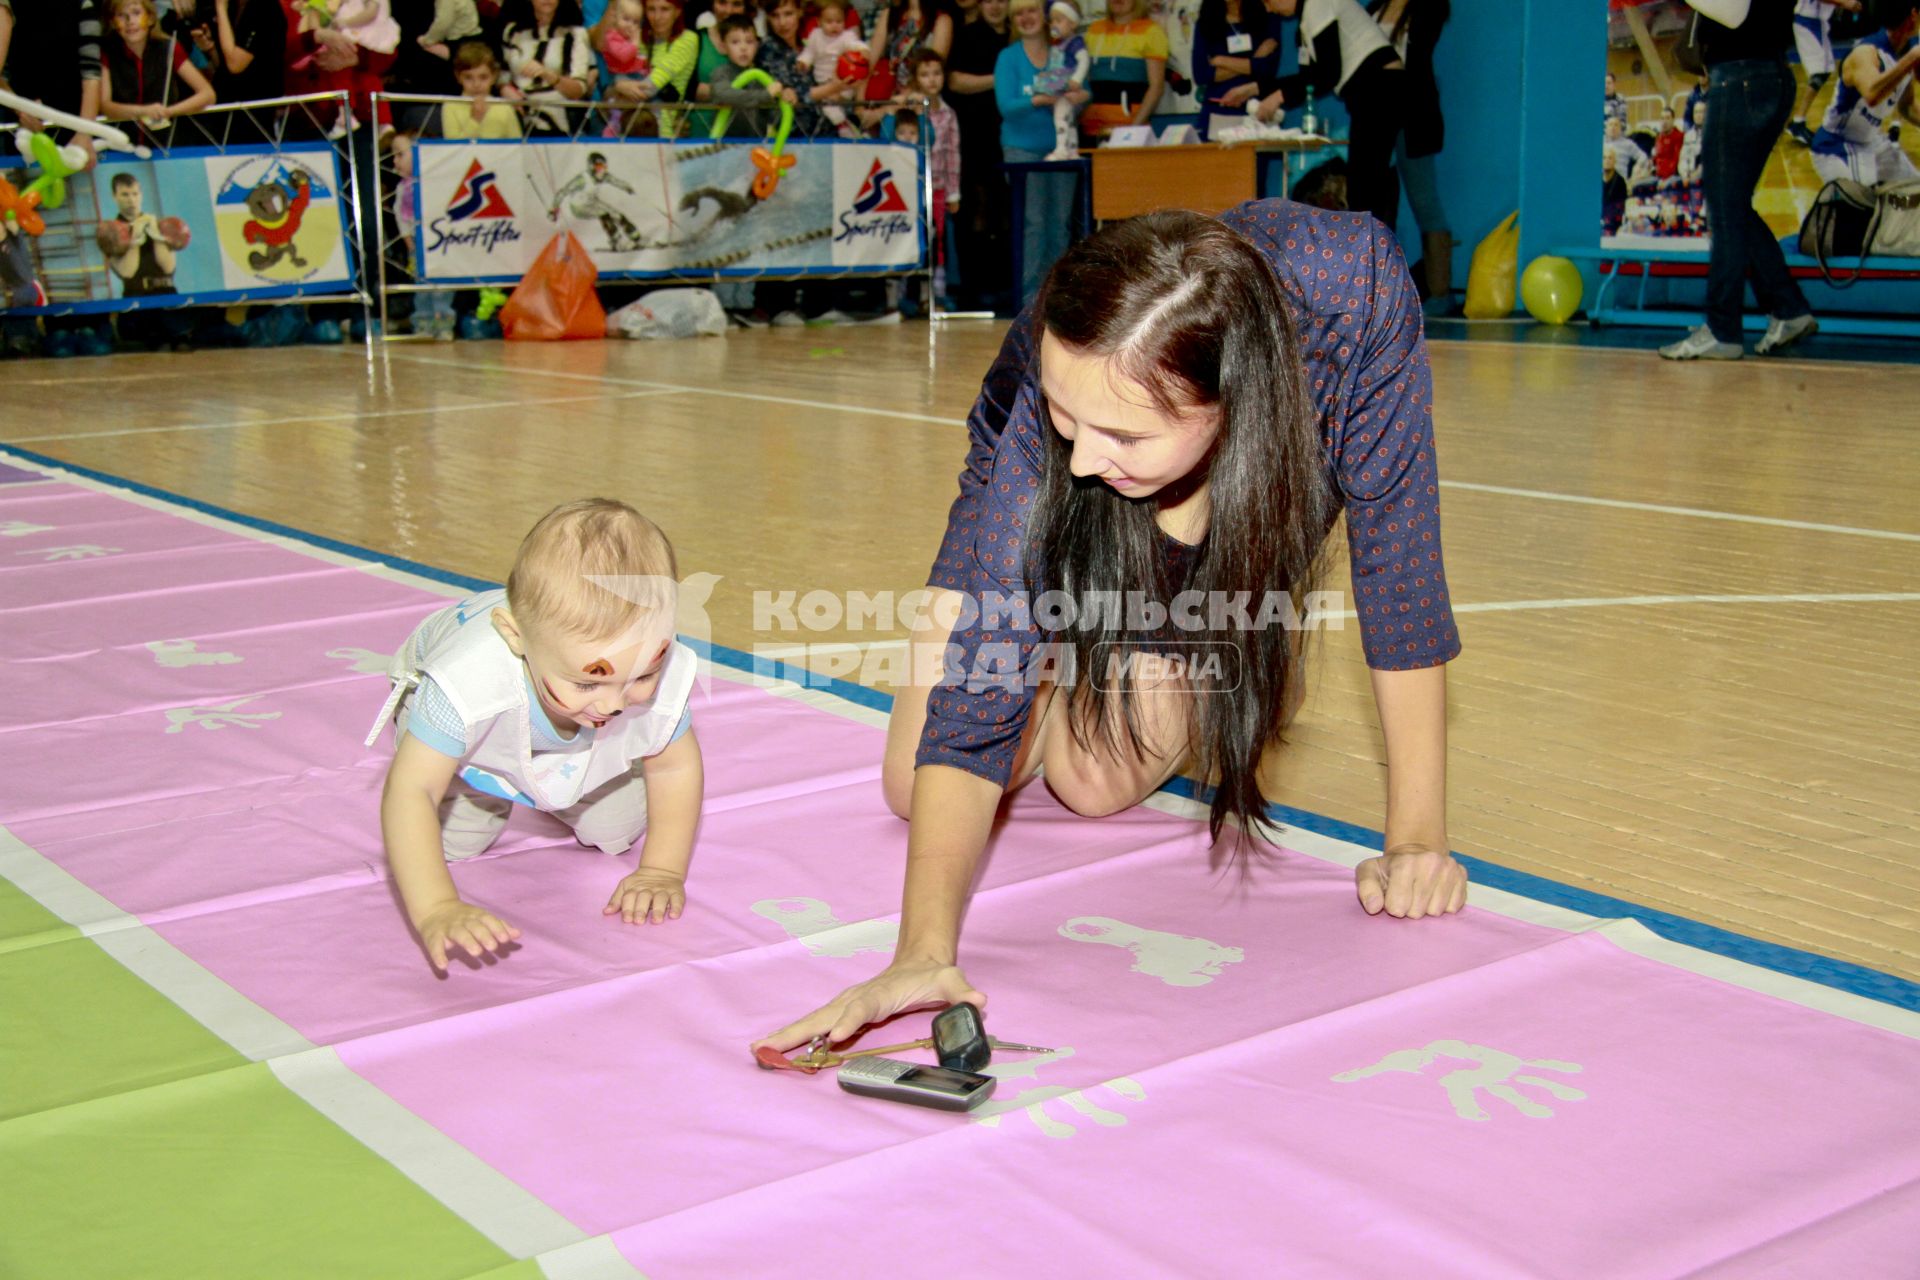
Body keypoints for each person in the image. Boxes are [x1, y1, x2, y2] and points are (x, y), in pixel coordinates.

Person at [756, 200, 1467, 1056]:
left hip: (1234, 498)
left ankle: (1243, 632)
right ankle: (1065, 630)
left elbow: (1402, 572)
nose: (1087, 460)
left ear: (1231, 401)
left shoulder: (1357, 294)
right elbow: (980, 673)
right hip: (1024, 471)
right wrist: (921, 954)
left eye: (1123, 433)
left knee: (1091, 786)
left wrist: (1417, 839)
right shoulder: (1063, 433)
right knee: (920, 787)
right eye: (1071, 419)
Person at [374, 499, 705, 974]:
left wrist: (661, 870)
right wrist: (436, 908)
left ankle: (554, 773)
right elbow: (412, 789)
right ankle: (481, 786)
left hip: (568, 732)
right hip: (477, 737)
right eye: (588, 681)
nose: (613, 703)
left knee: (615, 831)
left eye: (642, 674)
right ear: (515, 638)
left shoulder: (640, 666)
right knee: (452, 843)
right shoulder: (464, 684)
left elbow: (675, 765)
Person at [1659, 0, 1818, 360]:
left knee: (1725, 208)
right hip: (1769, 76)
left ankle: (1722, 328)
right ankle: (1787, 307)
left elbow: (1733, 12)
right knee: (1733, 205)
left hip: (1740, 79)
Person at [1247, 0, 1406, 238]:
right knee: (1369, 183)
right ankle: (1373, 258)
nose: (1269, 9)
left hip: (1379, 88)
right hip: (1375, 90)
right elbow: (1308, 76)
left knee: (1365, 187)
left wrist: (1278, 97)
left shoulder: (1318, 4)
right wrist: (1255, 88)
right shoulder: (1307, 20)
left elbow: (1327, 73)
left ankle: (1372, 261)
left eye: (1268, 2)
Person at [997, 0, 1082, 304]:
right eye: (1019, 13)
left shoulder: (1062, 52)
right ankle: (1030, 302)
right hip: (1022, 149)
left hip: (1062, 148)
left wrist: (1079, 95)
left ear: (1044, 17)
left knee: (1060, 224)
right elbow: (1006, 106)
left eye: (1031, 11)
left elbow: (1083, 92)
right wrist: (1037, 101)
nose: (1026, 18)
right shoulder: (1008, 58)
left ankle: (1056, 300)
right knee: (1033, 223)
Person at [1371, 0, 1451, 302]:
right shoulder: (1375, 6)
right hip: (1377, 117)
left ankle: (1441, 291)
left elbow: (1417, 56)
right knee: (1379, 205)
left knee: (1425, 201)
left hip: (1413, 119)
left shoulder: (1430, 8)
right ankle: (1381, 293)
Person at [944, 0, 1011, 310]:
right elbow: (955, 81)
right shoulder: (968, 35)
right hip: (973, 136)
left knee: (1004, 213)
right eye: (989, 0)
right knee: (974, 214)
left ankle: (1001, 285)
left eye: (1002, 0)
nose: (996, 6)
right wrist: (1005, 80)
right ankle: (973, 290)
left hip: (1008, 135)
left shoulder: (1015, 36)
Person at [1809, 1, 1920, 186]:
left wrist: (1909, 60)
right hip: (1838, 146)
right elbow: (1872, 95)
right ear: (1914, 14)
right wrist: (1910, 60)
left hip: (1872, 143)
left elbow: (1907, 106)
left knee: (1914, 195)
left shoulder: (1905, 51)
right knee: (1864, 205)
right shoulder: (1866, 53)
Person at [101, 0, 217, 150]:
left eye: (136, 13)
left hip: (166, 143)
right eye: (121, 16)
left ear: (150, 18)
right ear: (112, 22)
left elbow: (208, 95)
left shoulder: (168, 48)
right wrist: (143, 111)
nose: (130, 22)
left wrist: (168, 111)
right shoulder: (107, 53)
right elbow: (105, 106)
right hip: (121, 144)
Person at [104, 171, 194, 350]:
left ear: (141, 195)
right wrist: (135, 237)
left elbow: (168, 267)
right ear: (114, 197)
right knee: (152, 345)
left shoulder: (161, 225)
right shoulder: (110, 232)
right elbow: (127, 271)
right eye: (125, 194)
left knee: (182, 342)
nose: (131, 200)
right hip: (137, 300)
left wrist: (157, 235)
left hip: (166, 295)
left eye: (135, 194)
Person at [501, 0, 595, 133]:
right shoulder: (512, 32)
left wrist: (549, 76)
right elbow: (501, 76)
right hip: (516, 109)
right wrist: (505, 89)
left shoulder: (575, 34)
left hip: (557, 111)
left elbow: (579, 89)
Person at [1192, 0, 1280, 141]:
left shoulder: (1268, 20)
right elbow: (1201, 74)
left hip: (1258, 111)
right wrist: (1255, 59)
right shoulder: (1205, 24)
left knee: (1254, 162)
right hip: (1218, 112)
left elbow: (1267, 69)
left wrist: (1222, 61)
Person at [1080, 0, 1166, 140]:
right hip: (1091, 130)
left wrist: (1133, 129)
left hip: (1129, 131)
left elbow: (1156, 87)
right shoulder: (1094, 30)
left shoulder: (1152, 31)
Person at [1788, 0, 1863, 146]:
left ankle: (1798, 120)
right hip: (1808, 21)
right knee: (1820, 71)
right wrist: (1845, 3)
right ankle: (1797, 121)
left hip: (1816, 22)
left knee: (1826, 70)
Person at [706, 12, 792, 135]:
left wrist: (785, 96)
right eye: (735, 42)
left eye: (749, 41)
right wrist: (764, 95)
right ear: (723, 46)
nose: (743, 48)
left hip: (757, 145)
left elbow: (774, 116)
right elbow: (723, 95)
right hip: (723, 145)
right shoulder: (721, 73)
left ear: (757, 45)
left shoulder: (763, 76)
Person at [798, 0, 869, 132]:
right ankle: (842, 124)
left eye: (839, 21)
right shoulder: (815, 36)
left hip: (843, 80)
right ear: (819, 22)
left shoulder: (847, 36)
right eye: (829, 22)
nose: (834, 26)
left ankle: (849, 120)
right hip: (823, 81)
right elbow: (809, 52)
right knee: (827, 105)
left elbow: (855, 44)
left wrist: (863, 49)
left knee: (845, 95)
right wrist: (804, 62)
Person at [442, 39, 522, 135]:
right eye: (468, 77)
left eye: (483, 77)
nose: (476, 84)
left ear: (493, 77)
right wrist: (475, 120)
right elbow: (452, 148)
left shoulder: (505, 108)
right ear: (458, 77)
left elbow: (517, 146)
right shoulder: (450, 107)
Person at [1043, 0, 1087, 156]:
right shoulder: (1058, 45)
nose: (1054, 25)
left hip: (1068, 86)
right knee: (1069, 120)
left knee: (1060, 116)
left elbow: (1084, 60)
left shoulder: (1075, 43)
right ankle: (1072, 150)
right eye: (1052, 21)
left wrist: (1077, 79)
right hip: (1060, 84)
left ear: (1073, 23)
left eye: (1059, 20)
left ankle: (1061, 148)